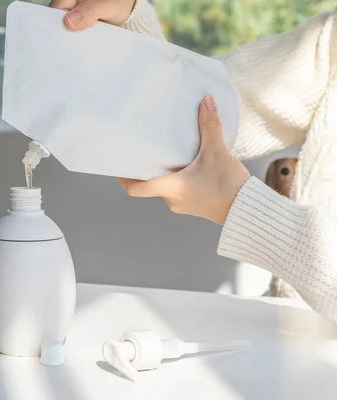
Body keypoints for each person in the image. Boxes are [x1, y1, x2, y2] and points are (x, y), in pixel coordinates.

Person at [49, 0, 337, 321]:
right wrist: (128, 23)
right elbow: (202, 114)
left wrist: (238, 206)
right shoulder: (331, 43)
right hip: (285, 335)